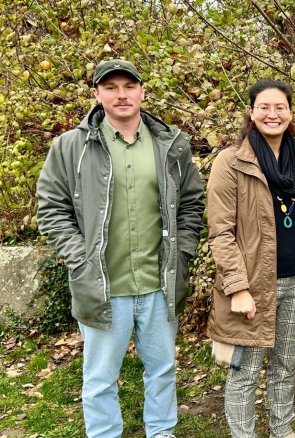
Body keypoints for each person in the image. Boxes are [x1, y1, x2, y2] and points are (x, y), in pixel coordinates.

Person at [36, 59, 205, 438]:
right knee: (100, 378)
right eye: (111, 87)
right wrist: (80, 258)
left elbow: (192, 203)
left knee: (162, 370)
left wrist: (182, 253)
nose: (121, 95)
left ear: (142, 91)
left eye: (129, 86)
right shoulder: (71, 147)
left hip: (159, 284)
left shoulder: (170, 145)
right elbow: (51, 208)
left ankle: (161, 432)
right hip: (102, 285)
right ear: (97, 94)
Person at [205, 80, 295, 438]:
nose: (273, 114)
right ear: (251, 112)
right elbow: (221, 233)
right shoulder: (231, 161)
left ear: (290, 113)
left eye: (280, 107)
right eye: (264, 107)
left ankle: (282, 431)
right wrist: (238, 287)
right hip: (253, 286)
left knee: (285, 366)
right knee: (245, 372)